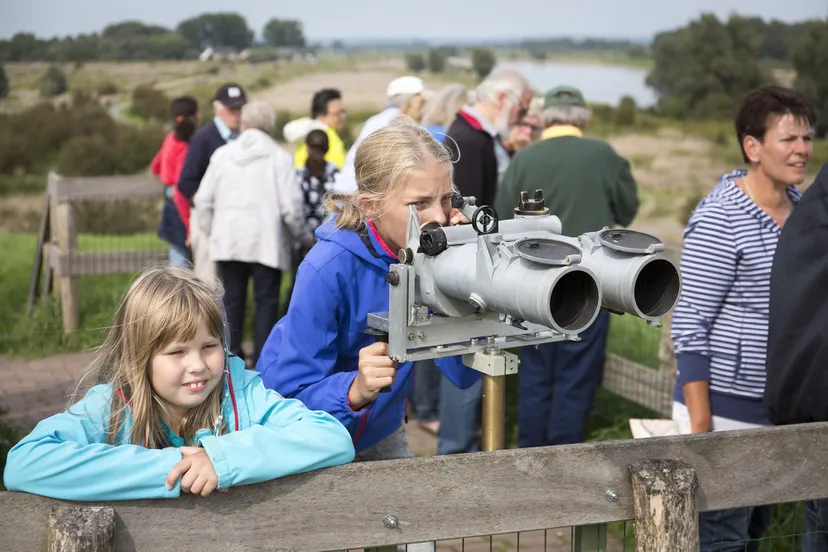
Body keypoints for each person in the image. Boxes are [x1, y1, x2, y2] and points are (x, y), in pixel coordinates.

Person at [2, 266, 355, 501]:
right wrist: (173, 469)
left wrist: (223, 459)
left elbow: (332, 437)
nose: (198, 366)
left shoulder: (243, 394)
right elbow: (25, 462)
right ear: (139, 357)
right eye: (176, 353)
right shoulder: (111, 406)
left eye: (209, 346)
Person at [256, 118, 480, 463]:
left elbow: (462, 372)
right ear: (369, 206)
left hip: (384, 430)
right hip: (311, 440)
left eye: (447, 198)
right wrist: (354, 390)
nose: (438, 216)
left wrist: (462, 274)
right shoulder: (327, 269)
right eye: (419, 204)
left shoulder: (427, 253)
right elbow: (287, 395)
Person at [671, 85, 815, 552]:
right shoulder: (722, 217)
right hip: (724, 411)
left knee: (753, 536)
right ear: (752, 146)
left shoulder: (803, 212)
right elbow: (690, 321)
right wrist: (701, 427)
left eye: (807, 138)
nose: (802, 150)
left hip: (776, 408)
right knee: (721, 540)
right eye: (788, 139)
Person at [493, 85, 639, 450]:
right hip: (591, 283)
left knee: (536, 376)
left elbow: (501, 221)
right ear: (582, 117)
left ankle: (530, 454)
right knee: (576, 377)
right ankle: (566, 456)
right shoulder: (604, 155)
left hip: (534, 284)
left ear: (544, 118)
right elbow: (627, 209)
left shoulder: (525, 159)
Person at [435, 69, 533, 456]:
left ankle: (461, 446)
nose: (521, 116)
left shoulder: (471, 135)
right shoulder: (469, 142)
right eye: (521, 106)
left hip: (472, 270)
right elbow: (466, 213)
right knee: (464, 362)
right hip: (467, 274)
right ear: (504, 99)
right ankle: (455, 454)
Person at [194, 101, 314, 368]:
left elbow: (202, 201)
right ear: (270, 126)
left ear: (244, 123)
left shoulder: (223, 155)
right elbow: (291, 208)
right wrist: (302, 237)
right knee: (266, 306)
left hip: (228, 243)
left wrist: (213, 232)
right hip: (267, 244)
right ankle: (263, 366)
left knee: (231, 304)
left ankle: (227, 362)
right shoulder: (279, 158)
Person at [177, 83, 248, 282]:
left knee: (232, 284)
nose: (237, 113)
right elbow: (186, 181)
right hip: (206, 219)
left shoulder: (244, 138)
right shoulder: (203, 138)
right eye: (231, 108)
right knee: (207, 281)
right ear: (218, 109)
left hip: (236, 220)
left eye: (240, 108)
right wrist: (207, 204)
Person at [336, 76, 427, 192]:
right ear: (409, 101)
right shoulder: (397, 122)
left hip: (350, 189)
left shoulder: (378, 120)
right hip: (359, 193)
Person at [152, 96, 200, 267]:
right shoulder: (187, 147)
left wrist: (167, 180)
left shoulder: (170, 138)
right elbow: (181, 189)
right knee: (181, 264)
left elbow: (155, 167)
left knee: (177, 256)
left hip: (170, 204)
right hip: (182, 208)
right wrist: (189, 228)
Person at [293, 88, 347, 170]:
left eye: (343, 112)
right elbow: (338, 172)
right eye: (337, 113)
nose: (342, 117)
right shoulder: (327, 138)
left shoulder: (308, 135)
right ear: (321, 115)